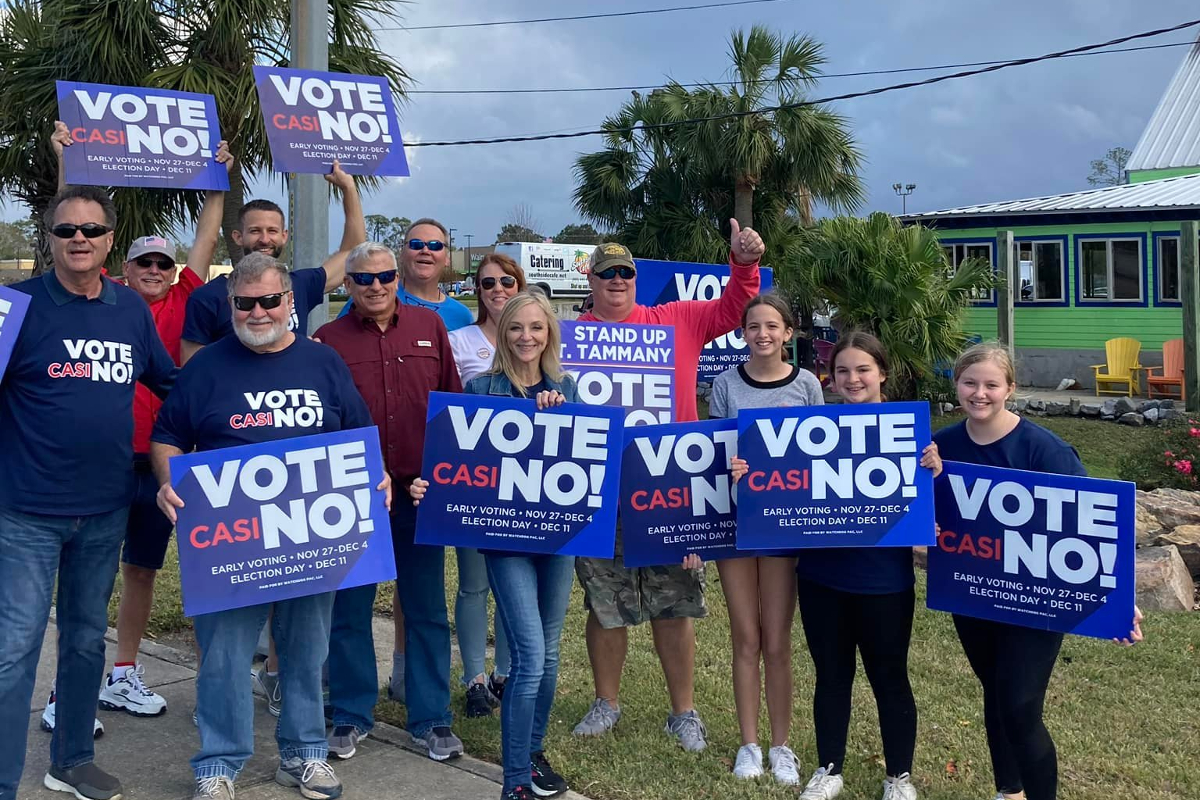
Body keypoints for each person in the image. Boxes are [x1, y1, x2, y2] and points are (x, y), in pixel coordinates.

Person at [151, 252, 388, 800]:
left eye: (269, 301)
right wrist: (167, 480)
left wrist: (377, 480)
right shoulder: (206, 365)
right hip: (230, 543)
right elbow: (166, 437)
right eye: (245, 303)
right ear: (230, 303)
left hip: (312, 537)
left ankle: (304, 755)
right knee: (226, 656)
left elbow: (358, 435)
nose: (257, 312)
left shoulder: (323, 363)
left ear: (289, 302)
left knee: (306, 650)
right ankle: (218, 763)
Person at [38, 123, 234, 732]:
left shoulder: (184, 299)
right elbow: (75, 228)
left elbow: (204, 235)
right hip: (95, 465)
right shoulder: (108, 300)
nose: (154, 269)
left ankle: (122, 671)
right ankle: (69, 689)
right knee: (85, 578)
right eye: (143, 262)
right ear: (122, 265)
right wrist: (67, 160)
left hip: (156, 461)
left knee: (142, 569)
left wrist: (217, 178)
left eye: (162, 263)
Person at [0, 186, 177, 800]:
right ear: (47, 238)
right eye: (66, 229)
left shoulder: (128, 310)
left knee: (82, 640)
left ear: (109, 240)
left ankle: (71, 761)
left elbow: (170, 381)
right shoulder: (13, 305)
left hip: (104, 510)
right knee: (13, 651)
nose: (79, 238)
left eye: (91, 230)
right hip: (24, 510)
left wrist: (243, 379)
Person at [571, 220, 763, 751]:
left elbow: (731, 310)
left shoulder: (673, 321)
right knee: (603, 602)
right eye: (606, 271)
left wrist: (743, 263)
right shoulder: (569, 335)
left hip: (670, 487)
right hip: (600, 489)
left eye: (625, 272)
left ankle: (684, 712)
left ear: (636, 279)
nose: (616, 280)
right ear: (590, 277)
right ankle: (606, 702)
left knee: (674, 602)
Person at [932, 342, 1144, 800]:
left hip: (1035, 601)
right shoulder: (941, 447)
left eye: (991, 384)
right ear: (956, 385)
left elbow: (1093, 529)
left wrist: (1120, 602)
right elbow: (922, 513)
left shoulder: (1045, 450)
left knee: (1020, 705)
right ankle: (1009, 792)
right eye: (970, 382)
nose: (980, 393)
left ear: (1010, 387)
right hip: (974, 595)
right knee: (996, 694)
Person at [734, 331, 939, 800]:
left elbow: (935, 496)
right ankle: (829, 768)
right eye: (842, 371)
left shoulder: (909, 432)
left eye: (863, 369)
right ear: (830, 377)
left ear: (883, 373)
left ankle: (898, 777)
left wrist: (934, 463)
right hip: (823, 577)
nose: (852, 379)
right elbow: (773, 487)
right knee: (832, 677)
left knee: (890, 677)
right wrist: (750, 475)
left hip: (885, 579)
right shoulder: (812, 427)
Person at [411, 291, 579, 800]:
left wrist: (559, 413)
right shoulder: (481, 388)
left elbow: (586, 460)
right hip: (506, 543)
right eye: (514, 328)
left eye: (536, 327)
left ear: (549, 334)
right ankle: (513, 784)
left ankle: (531, 750)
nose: (526, 337)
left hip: (558, 540)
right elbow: (457, 462)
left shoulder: (566, 388)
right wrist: (428, 487)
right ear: (501, 335)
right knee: (528, 655)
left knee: (549, 656)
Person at [313, 242, 464, 762]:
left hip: (422, 494)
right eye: (362, 279)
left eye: (383, 277)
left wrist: (441, 477)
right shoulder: (327, 341)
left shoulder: (430, 327)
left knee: (425, 608)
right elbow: (320, 420)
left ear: (396, 278)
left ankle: (431, 718)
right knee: (349, 608)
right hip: (354, 496)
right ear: (347, 285)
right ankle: (351, 713)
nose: (374, 286)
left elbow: (452, 409)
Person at [707, 294, 823, 785]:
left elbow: (823, 454)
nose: (762, 334)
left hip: (782, 526)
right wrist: (728, 465)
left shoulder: (808, 385)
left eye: (772, 326)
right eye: (753, 326)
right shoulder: (726, 383)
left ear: (788, 331)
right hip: (735, 524)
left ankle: (781, 746)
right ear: (743, 332)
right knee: (745, 636)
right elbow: (710, 452)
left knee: (776, 640)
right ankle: (749, 744)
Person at [446, 253, 527, 716]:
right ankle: (475, 676)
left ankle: (508, 672)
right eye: (488, 282)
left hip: (530, 484)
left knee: (514, 585)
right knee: (475, 584)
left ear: (521, 285)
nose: (498, 289)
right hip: (476, 481)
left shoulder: (536, 336)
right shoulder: (459, 340)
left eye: (507, 281)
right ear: (477, 290)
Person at [180, 159, 364, 364]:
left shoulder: (300, 284)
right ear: (237, 237)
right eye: (255, 231)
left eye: (272, 231)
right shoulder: (206, 297)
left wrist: (348, 187)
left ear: (284, 236)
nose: (265, 239)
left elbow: (352, 252)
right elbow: (192, 369)